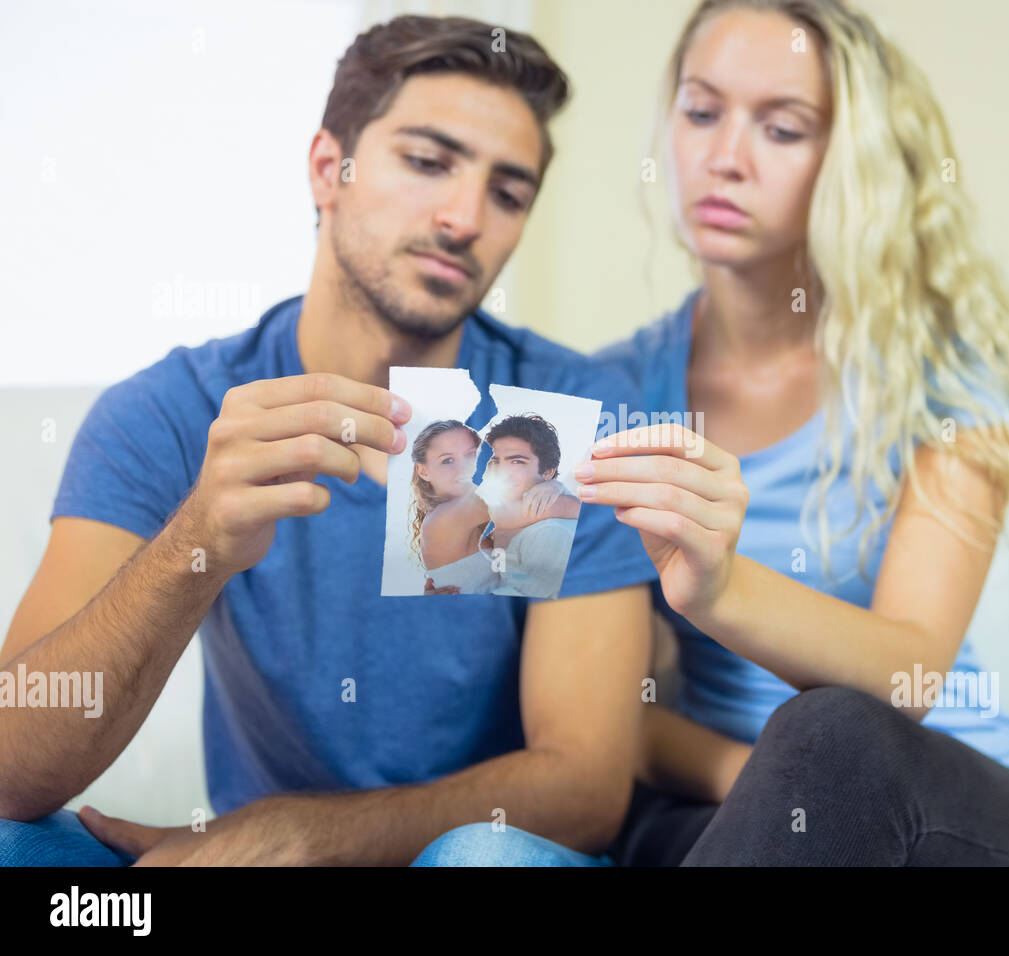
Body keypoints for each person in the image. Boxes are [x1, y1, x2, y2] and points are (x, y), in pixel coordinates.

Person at [420, 0, 1009, 866]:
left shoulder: (947, 373)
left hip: (955, 810)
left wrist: (720, 590)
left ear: (849, 162)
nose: (725, 158)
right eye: (702, 112)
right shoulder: (609, 393)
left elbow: (911, 675)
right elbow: (608, 717)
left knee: (831, 729)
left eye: (782, 129)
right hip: (735, 808)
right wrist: (769, 777)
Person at [0, 15, 656, 866]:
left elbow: (584, 787)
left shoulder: (570, 411)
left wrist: (305, 837)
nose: (464, 217)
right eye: (427, 162)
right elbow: (13, 770)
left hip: (449, 854)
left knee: (486, 859)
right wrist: (197, 542)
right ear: (327, 170)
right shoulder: (172, 410)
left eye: (508, 192)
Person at [409, 419, 571, 595]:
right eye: (448, 460)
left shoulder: (479, 522)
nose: (465, 467)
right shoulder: (444, 518)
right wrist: (554, 487)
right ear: (423, 471)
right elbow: (557, 507)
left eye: (471, 455)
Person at [481, 415, 581, 599]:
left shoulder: (549, 533)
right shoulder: (499, 521)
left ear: (548, 472)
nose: (501, 471)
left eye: (517, 462)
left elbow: (521, 602)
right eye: (496, 461)